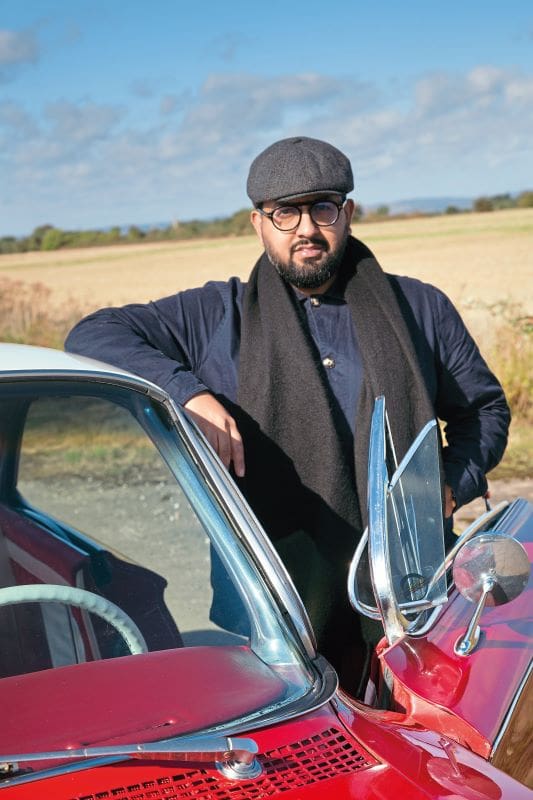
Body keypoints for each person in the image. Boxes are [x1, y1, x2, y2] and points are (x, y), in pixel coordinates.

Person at [65, 136, 510, 687]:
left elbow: (484, 412)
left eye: (322, 207)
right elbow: (94, 333)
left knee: (414, 737)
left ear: (346, 214)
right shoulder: (214, 314)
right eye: (285, 213)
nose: (306, 228)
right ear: (258, 223)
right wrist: (186, 392)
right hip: (273, 601)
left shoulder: (419, 308)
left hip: (409, 586)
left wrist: (448, 483)